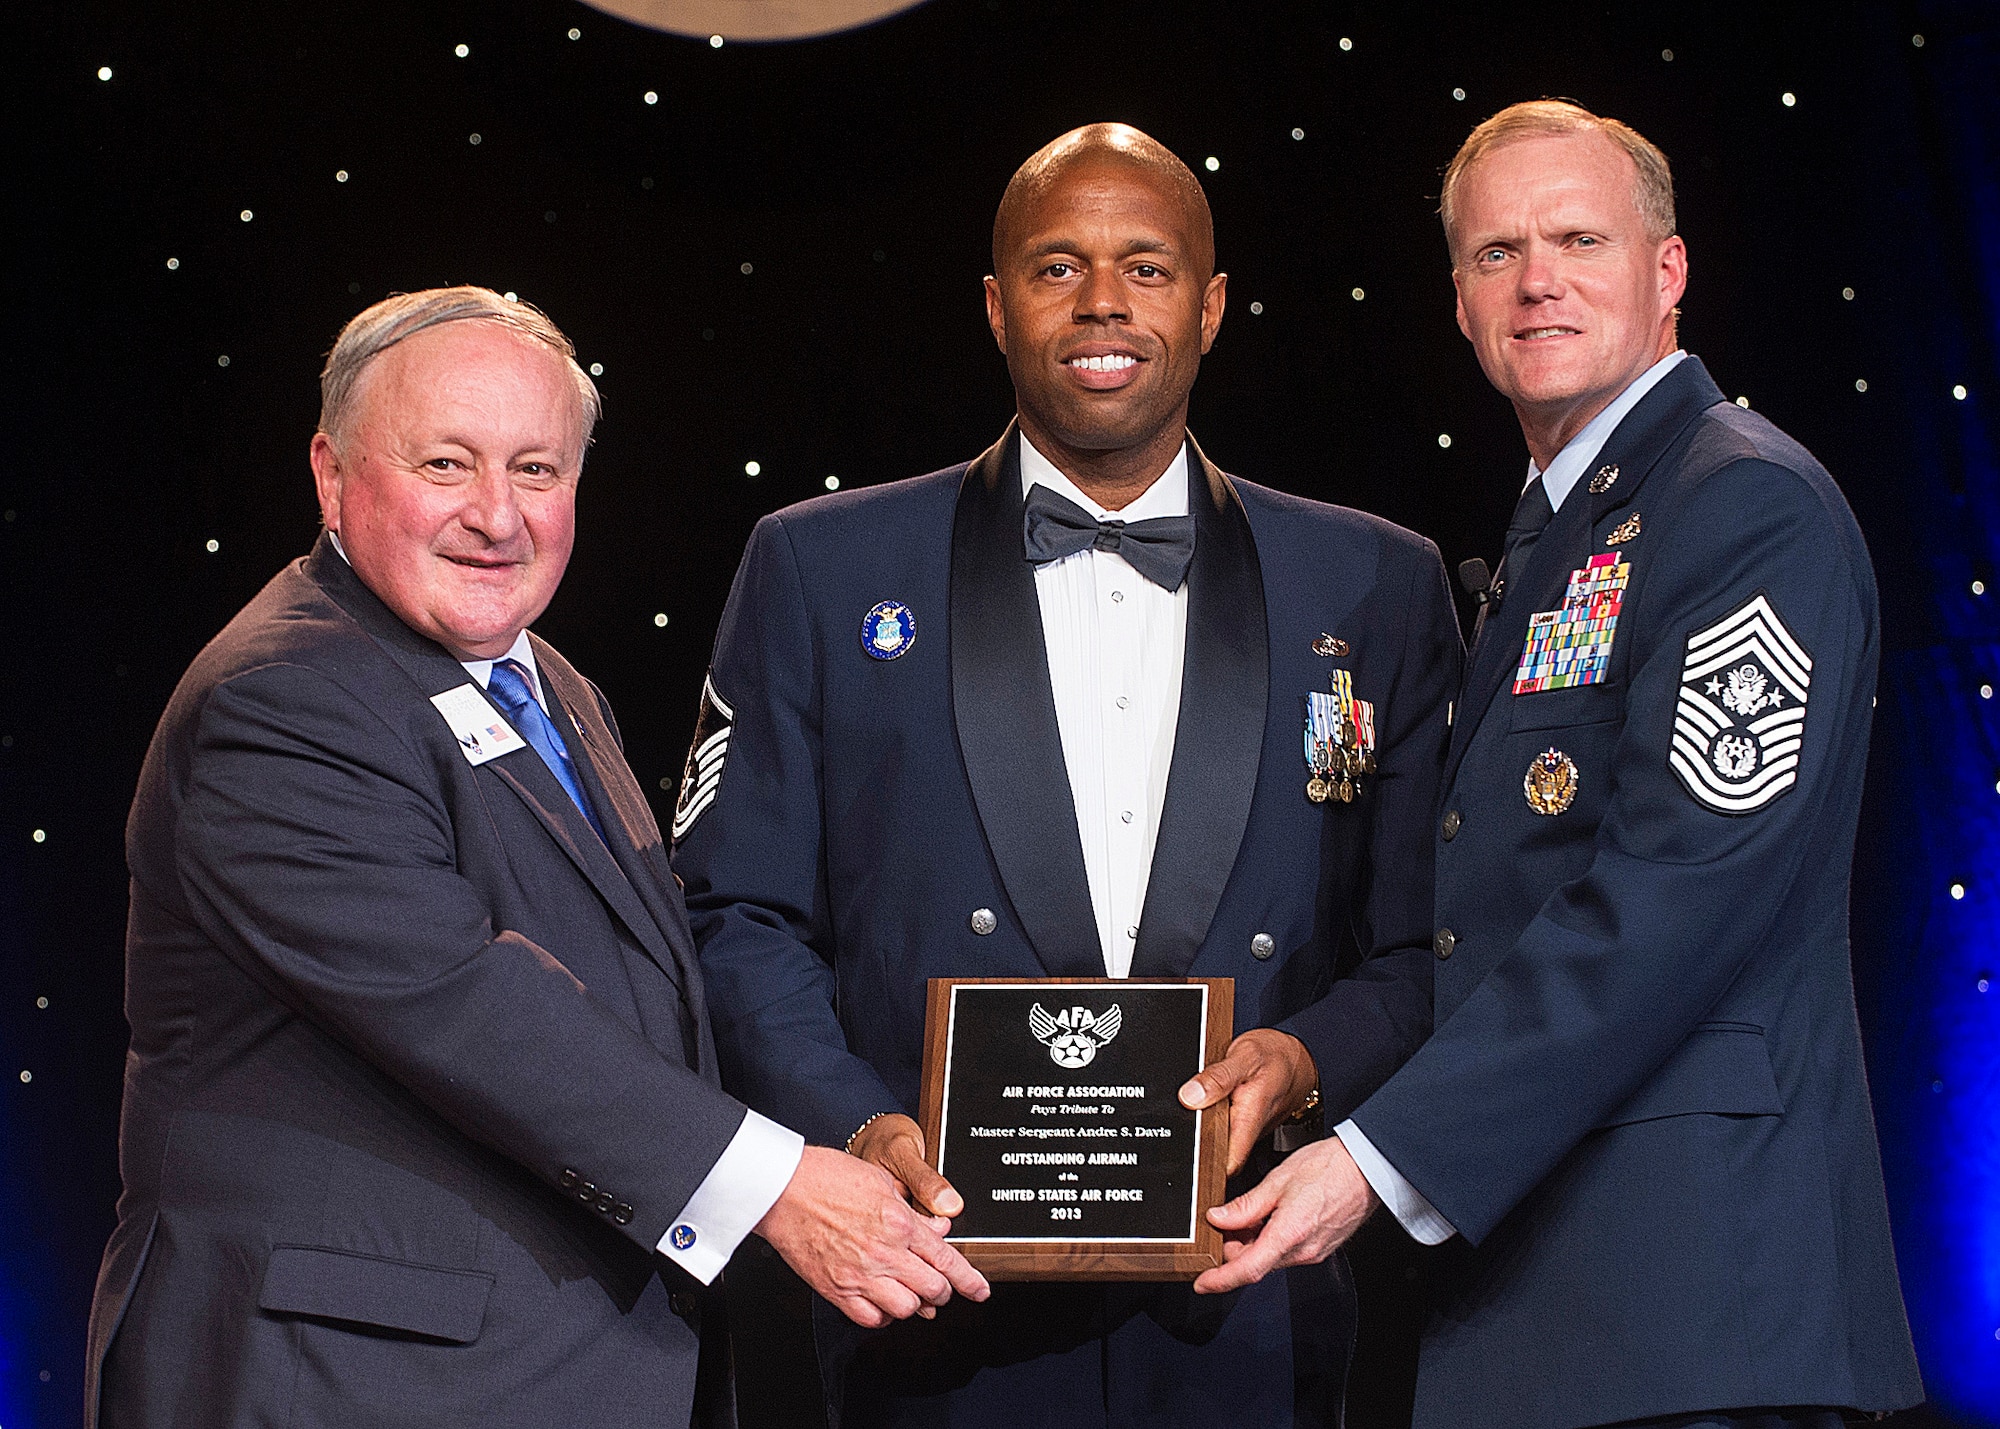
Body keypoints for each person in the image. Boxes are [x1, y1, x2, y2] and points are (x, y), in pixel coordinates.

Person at [669, 124, 1460, 1427]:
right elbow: (733, 913)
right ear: (995, 307)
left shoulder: (1375, 582)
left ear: (1210, 307)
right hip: (920, 1303)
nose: (1102, 303)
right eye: (1056, 267)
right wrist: (860, 1126)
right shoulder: (818, 568)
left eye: (1145, 267)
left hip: (1248, 1300)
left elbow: (1426, 941)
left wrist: (1301, 1061)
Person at [84, 288, 985, 1429]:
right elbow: (467, 1005)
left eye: (536, 470)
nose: (496, 516)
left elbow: (653, 987)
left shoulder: (549, 683)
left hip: (540, 1368)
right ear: (330, 474)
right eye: (446, 465)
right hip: (346, 1381)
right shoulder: (284, 697)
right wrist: (774, 1185)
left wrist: (861, 1118)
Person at [1196, 101, 1925, 1429]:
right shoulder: (1561, 536)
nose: (1536, 280)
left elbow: (1673, 900)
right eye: (1495, 252)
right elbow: (1482, 916)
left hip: (1695, 1315)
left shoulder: (1742, 504)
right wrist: (1307, 1059)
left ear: (1669, 272)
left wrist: (1378, 1158)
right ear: (1460, 303)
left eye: (1578, 238)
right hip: (1556, 1312)